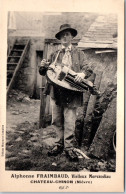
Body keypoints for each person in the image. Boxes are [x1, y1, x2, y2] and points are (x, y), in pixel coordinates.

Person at [39, 24, 93, 161]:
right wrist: (42, 67)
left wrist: (82, 73)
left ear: (72, 37)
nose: (64, 37)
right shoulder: (54, 54)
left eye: (67, 34)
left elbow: (88, 68)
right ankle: (59, 144)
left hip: (72, 92)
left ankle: (69, 148)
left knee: (69, 120)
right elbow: (44, 72)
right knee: (57, 119)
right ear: (59, 38)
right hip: (56, 91)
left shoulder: (79, 54)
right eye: (62, 35)